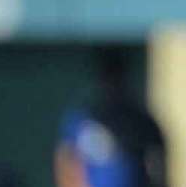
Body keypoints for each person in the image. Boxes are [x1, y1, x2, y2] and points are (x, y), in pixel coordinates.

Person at [55, 48, 167, 187]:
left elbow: (159, 162)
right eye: (108, 77)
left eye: (116, 77)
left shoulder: (140, 121)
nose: (112, 84)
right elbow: (65, 161)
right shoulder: (81, 119)